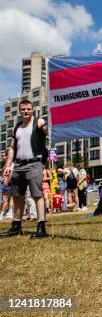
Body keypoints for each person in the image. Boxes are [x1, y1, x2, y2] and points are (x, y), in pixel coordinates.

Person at [0, 99, 50, 238]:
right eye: (23, 109)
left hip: (34, 164)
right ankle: (16, 227)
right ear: (20, 110)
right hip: (18, 165)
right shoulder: (17, 127)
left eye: (28, 109)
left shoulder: (38, 123)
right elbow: (12, 147)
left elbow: (47, 132)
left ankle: (41, 227)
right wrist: (8, 165)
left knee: (37, 195)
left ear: (32, 109)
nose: (26, 111)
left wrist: (44, 125)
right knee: (17, 196)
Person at [0, 150, 14, 220]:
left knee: (7, 200)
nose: (2, 156)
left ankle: (4, 214)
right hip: (5, 184)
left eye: (4, 155)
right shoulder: (5, 164)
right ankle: (7, 213)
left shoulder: (10, 164)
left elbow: (11, 173)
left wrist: (7, 181)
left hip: (9, 184)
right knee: (6, 200)